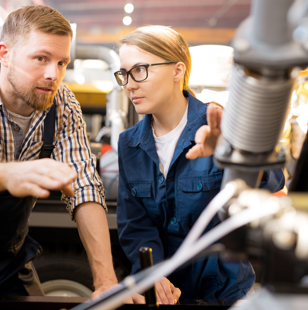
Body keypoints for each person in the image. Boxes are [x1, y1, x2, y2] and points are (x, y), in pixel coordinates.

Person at [115, 25, 285, 304]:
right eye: (124, 74)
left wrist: (232, 150)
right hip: (165, 295)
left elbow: (274, 180)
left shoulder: (221, 126)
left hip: (225, 295)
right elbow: (136, 225)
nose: (130, 84)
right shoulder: (129, 144)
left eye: (140, 70)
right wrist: (153, 275)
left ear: (177, 70)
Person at [0, 5, 122, 298]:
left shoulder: (61, 101)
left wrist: (106, 281)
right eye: (41, 58)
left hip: (8, 261)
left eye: (61, 62)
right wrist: (6, 175)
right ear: (4, 54)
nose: (52, 74)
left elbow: (84, 187)